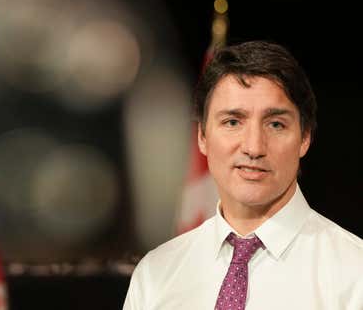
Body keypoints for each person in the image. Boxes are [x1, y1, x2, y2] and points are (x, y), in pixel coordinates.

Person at [123, 40, 363, 309]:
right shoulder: (156, 275)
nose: (253, 147)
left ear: (305, 137)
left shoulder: (354, 274)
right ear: (202, 135)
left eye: (275, 124)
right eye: (233, 122)